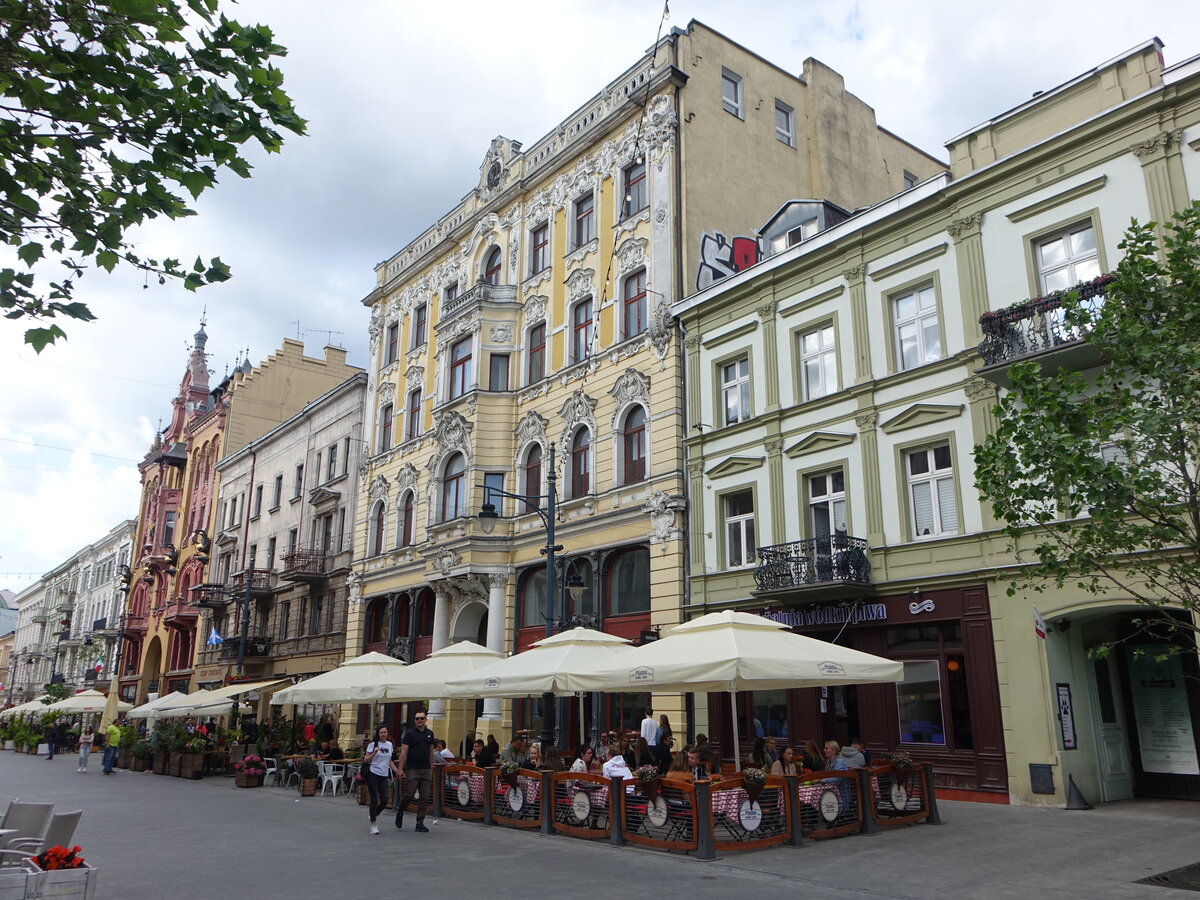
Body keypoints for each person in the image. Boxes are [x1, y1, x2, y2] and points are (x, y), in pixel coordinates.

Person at [394, 712, 436, 833]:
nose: (419, 720)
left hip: (426, 768)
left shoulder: (430, 734)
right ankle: (400, 811)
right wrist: (400, 768)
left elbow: (431, 751)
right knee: (409, 794)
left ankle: (420, 822)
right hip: (413, 768)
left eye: (421, 718)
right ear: (414, 720)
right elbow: (404, 751)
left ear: (425, 720)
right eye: (417, 718)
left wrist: (431, 766)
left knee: (425, 796)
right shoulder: (410, 734)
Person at [363, 725, 394, 835]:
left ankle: (373, 814)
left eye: (385, 732)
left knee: (385, 799)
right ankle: (374, 824)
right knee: (374, 799)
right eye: (381, 732)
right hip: (373, 774)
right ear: (378, 734)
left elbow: (390, 761)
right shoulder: (373, 744)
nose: (384, 734)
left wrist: (397, 771)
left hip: (384, 775)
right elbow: (366, 760)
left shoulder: (389, 744)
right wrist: (374, 753)